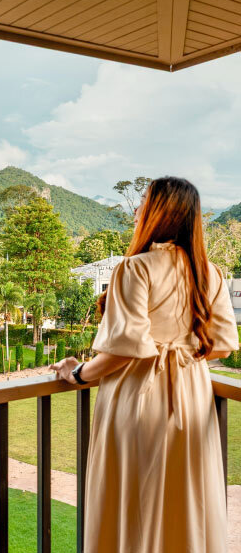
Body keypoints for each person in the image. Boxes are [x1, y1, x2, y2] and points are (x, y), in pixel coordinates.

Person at [50, 177, 238, 553]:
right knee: (185, 500)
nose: (136, 211)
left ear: (156, 213)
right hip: (193, 399)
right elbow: (221, 347)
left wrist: (77, 373)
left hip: (138, 398)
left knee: (133, 501)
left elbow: (124, 351)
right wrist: (179, 349)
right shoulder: (211, 273)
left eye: (143, 203)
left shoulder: (134, 268)